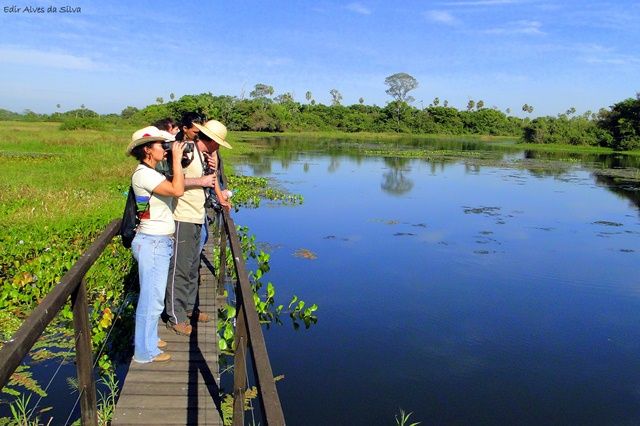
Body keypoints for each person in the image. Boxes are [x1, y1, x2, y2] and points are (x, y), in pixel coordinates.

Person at [127, 126, 185, 363]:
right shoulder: (144, 174)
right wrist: (178, 160)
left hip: (156, 242)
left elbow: (149, 206)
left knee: (154, 297)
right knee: (150, 300)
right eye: (162, 145)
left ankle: (149, 340)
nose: (166, 148)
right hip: (152, 244)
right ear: (147, 150)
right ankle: (144, 352)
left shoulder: (151, 172)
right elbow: (177, 189)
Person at [164, 113, 217, 336]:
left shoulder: (201, 153)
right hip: (182, 217)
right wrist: (201, 181)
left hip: (197, 216)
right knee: (180, 268)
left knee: (193, 267)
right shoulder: (184, 151)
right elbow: (171, 182)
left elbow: (210, 181)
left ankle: (189, 309)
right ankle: (175, 317)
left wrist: (212, 169)